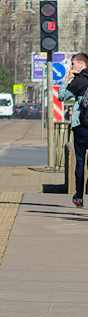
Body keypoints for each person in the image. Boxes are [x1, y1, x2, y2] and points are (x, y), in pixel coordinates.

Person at [66, 52, 88, 207]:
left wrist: (67, 79)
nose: (71, 66)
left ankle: (79, 197)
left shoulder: (80, 80)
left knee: (80, 161)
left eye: (73, 63)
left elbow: (62, 96)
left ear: (81, 64)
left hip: (82, 127)